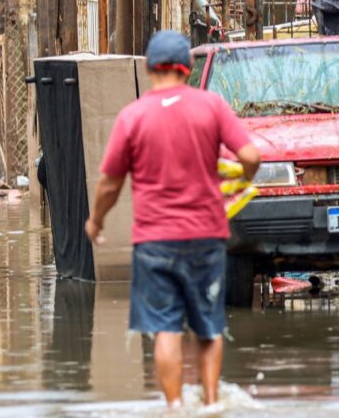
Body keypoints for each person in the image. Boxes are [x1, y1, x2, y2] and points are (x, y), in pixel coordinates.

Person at [84, 30, 261, 407]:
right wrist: (241, 181)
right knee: (209, 329)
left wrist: (95, 222)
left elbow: (109, 184)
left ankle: (175, 408)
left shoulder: (133, 116)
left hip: (154, 242)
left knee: (166, 330)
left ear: (149, 68)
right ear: (188, 67)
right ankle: (212, 405)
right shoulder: (211, 106)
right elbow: (250, 156)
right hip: (206, 238)